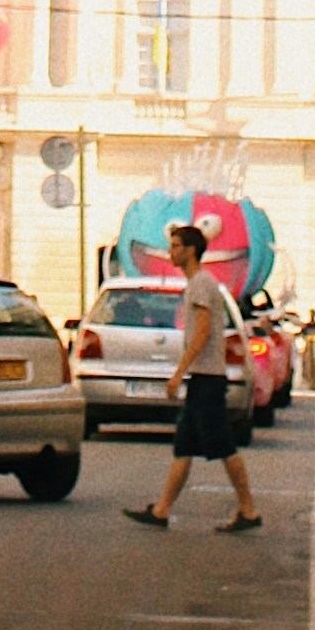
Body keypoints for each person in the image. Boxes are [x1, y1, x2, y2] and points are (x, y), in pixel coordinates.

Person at [134, 223, 261, 534]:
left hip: (207, 378)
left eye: (176, 246)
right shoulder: (198, 284)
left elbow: (203, 332)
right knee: (184, 444)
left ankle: (249, 509)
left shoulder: (202, 284)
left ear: (190, 250)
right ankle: (162, 509)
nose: (171, 252)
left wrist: (179, 373)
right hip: (202, 378)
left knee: (223, 445)